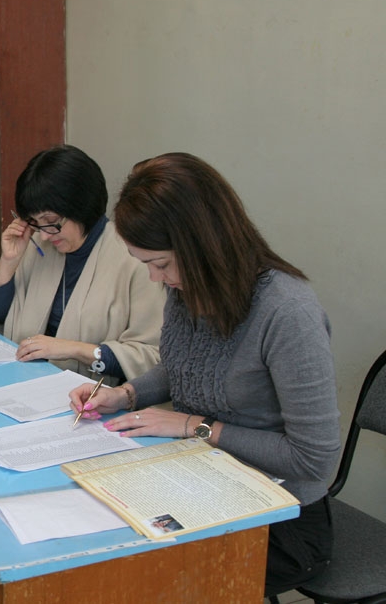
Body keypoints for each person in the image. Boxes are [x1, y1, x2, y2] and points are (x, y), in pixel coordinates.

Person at [68, 152, 340, 595]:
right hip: (200, 483)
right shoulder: (189, 286)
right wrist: (126, 395)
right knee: (95, 536)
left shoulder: (288, 312)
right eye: (146, 266)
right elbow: (183, 370)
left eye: (161, 264)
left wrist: (195, 427)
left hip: (281, 518)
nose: (157, 279)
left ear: (201, 244)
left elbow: (315, 460)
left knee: (135, 580)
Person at [0, 145, 164, 385]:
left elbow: (152, 357)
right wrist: (8, 263)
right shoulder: (39, 244)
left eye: (51, 221)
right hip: (26, 382)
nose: (44, 234)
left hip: (94, 396)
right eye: (35, 222)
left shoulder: (134, 258)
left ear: (82, 206)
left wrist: (72, 349)